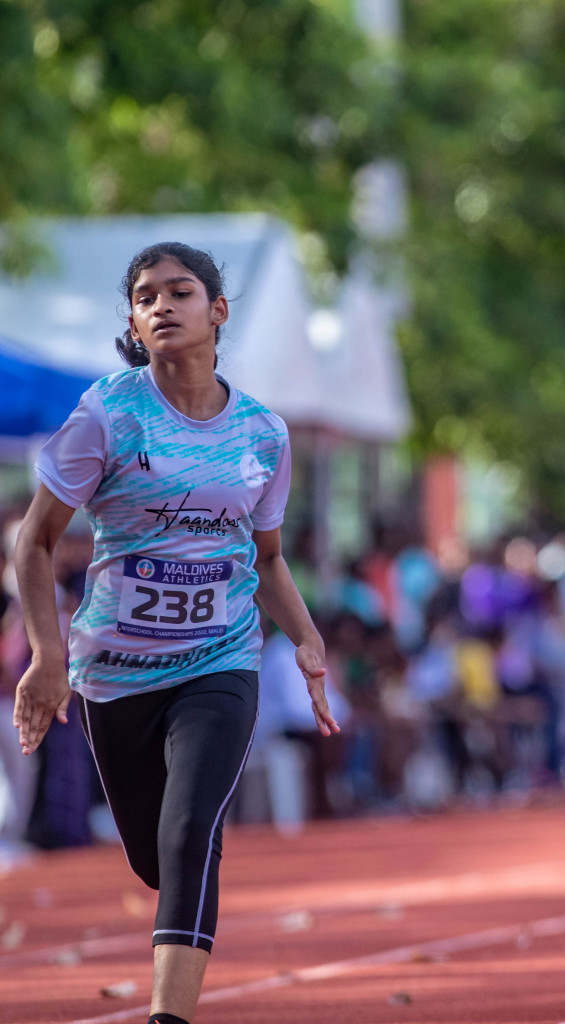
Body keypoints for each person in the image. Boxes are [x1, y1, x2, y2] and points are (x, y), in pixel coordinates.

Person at [11, 242, 339, 1024]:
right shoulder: (108, 413)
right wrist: (47, 657)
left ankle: (168, 1018)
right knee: (156, 858)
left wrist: (306, 638)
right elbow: (32, 543)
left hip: (221, 660)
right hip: (115, 672)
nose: (163, 305)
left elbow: (266, 558)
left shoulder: (264, 433)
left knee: (194, 832)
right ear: (132, 318)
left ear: (217, 311)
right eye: (146, 296)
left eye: (180, 292)